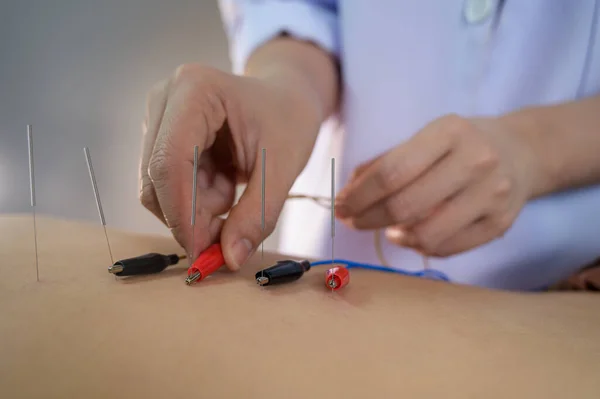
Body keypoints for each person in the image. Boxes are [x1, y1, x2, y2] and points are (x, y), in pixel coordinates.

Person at [138, 1, 600, 290]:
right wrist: (286, 86)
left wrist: (540, 148)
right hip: (323, 272)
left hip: (563, 299)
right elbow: (306, 9)